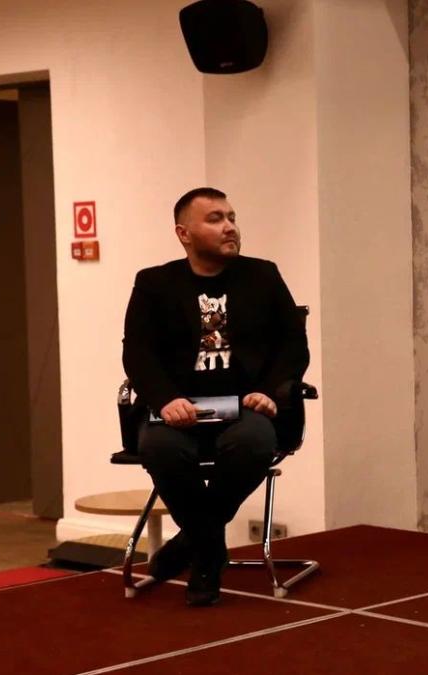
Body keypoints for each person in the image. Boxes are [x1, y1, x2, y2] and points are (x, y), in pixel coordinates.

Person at [122, 187, 309, 606]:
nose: (230, 227)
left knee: (253, 443)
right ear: (183, 233)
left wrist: (268, 392)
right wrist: (165, 399)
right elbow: (137, 353)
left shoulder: (263, 276)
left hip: (245, 407)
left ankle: (193, 545)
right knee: (160, 449)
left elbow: (293, 347)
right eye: (215, 219)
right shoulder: (154, 284)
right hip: (178, 410)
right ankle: (209, 547)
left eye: (231, 217)